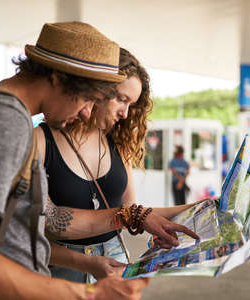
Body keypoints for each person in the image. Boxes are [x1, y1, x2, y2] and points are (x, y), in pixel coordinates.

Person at [0, 21, 159, 300]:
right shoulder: (1, 121)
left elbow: (19, 233)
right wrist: (87, 294)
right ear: (57, 77)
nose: (87, 114)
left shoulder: (2, 113)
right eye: (86, 98)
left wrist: (87, 263)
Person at [36, 48, 200, 283]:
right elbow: (43, 226)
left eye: (131, 104)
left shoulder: (116, 144)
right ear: (96, 90)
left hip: (115, 264)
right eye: (121, 99)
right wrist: (134, 217)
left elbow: (133, 210)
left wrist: (196, 209)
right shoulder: (41, 140)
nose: (125, 113)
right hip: (60, 270)